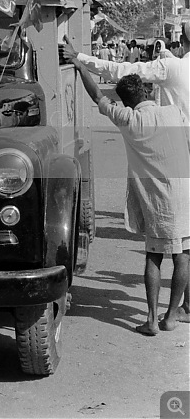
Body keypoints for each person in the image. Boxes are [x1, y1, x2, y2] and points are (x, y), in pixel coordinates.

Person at [63, 22, 190, 322]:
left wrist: (80, 64)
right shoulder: (174, 113)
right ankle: (173, 315)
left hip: (158, 198)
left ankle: (150, 319)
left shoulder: (129, 119)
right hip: (185, 190)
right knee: (183, 253)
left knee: (155, 256)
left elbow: (98, 95)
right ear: (147, 90)